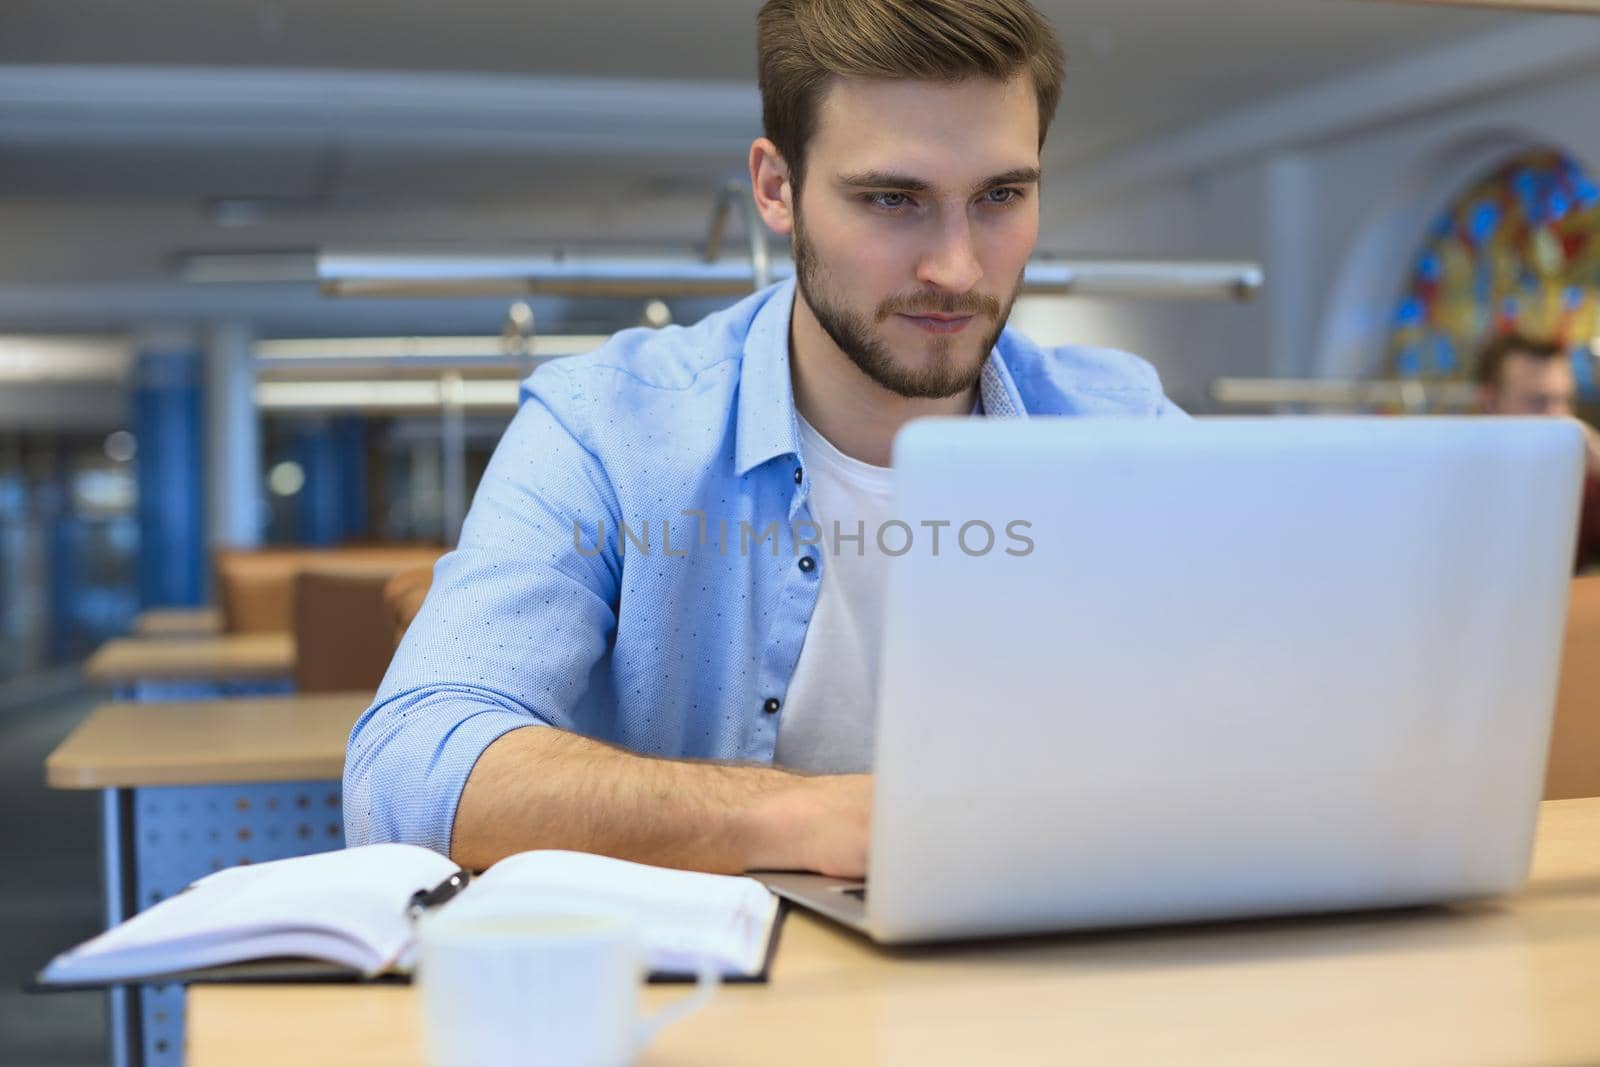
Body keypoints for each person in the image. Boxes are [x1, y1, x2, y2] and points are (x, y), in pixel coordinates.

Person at [344, 0, 1183, 877]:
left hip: (1050, 980)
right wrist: (815, 817)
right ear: (777, 188)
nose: (957, 269)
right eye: (893, 199)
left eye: (1000, 196)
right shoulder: (606, 426)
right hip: (709, 1006)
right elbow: (408, 766)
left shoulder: (1126, 428)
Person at [1475, 332, 1600, 572]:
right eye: (1538, 402)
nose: (1559, 417)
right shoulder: (1455, 482)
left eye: (1565, 400)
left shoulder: (1582, 484)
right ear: (1490, 401)